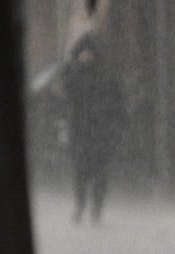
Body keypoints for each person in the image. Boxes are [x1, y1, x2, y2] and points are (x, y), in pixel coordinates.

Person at [62, 32, 125, 224]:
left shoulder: (105, 76)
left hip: (99, 133)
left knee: (99, 174)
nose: (86, 56)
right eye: (83, 52)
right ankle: (81, 206)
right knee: (80, 173)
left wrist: (114, 124)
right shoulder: (73, 74)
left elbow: (117, 102)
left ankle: (96, 210)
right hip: (81, 132)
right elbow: (67, 100)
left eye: (89, 52)